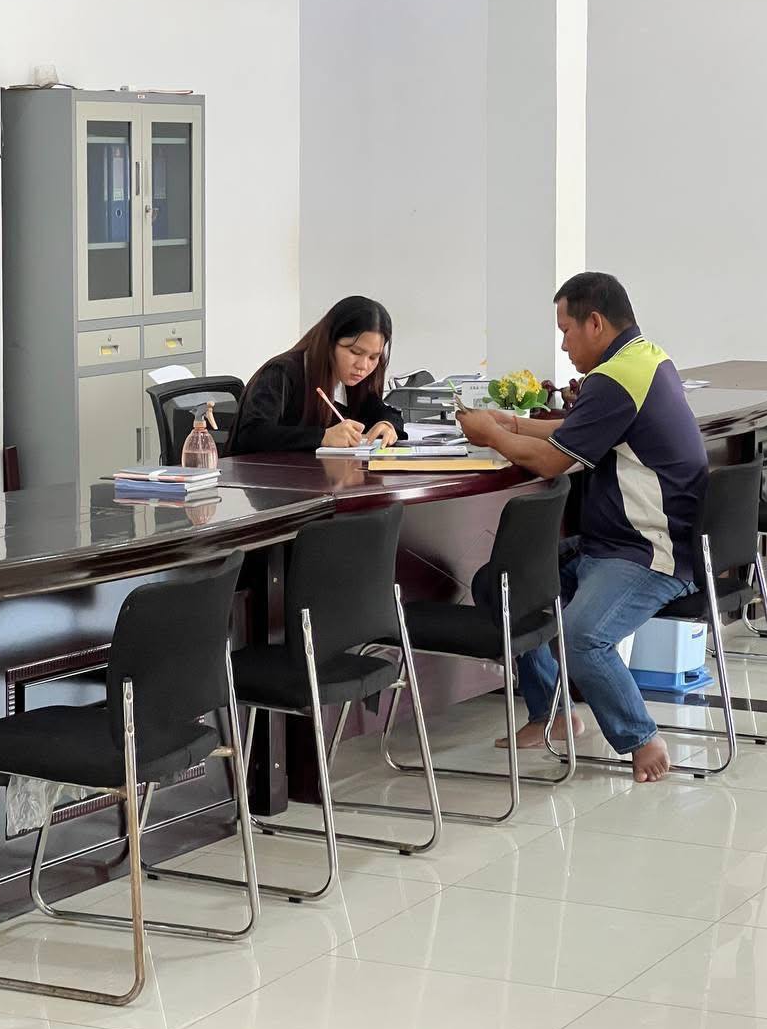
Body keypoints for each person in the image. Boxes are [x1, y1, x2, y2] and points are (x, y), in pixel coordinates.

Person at [459, 272, 707, 784]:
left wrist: (492, 436)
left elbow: (553, 460)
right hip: (610, 544)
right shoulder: (643, 360)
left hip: (649, 551)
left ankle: (641, 736)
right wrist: (512, 424)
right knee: (502, 584)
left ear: (595, 323)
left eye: (566, 331)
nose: (564, 345)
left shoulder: (617, 377)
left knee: (580, 637)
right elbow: (576, 431)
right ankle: (552, 713)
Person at [233, 296, 406, 453]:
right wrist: (322, 437)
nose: (363, 366)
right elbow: (252, 434)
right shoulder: (281, 373)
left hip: (323, 475)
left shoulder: (352, 381)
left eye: (373, 357)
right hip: (270, 475)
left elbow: (384, 411)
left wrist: (387, 425)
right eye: (355, 352)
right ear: (329, 341)